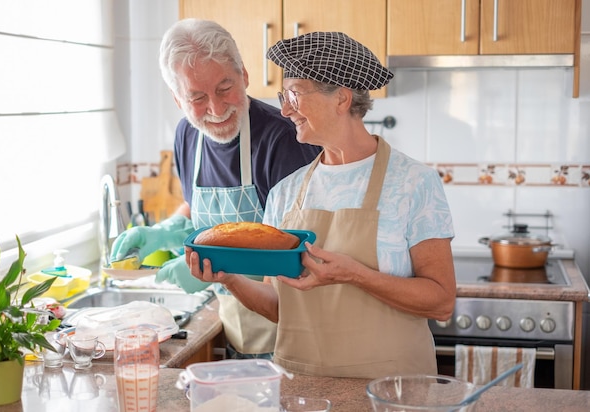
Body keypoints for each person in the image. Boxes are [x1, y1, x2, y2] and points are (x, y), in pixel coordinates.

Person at [185, 31, 456, 378]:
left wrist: (354, 274)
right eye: (283, 96)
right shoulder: (286, 192)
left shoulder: (414, 183)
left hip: (393, 390)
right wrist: (230, 279)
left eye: (294, 94)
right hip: (304, 387)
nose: (284, 109)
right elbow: (281, 306)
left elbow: (441, 301)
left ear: (341, 98)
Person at [110, 19, 321, 359]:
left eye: (225, 88)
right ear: (177, 99)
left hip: (296, 338)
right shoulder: (187, 136)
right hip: (240, 331)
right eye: (196, 96)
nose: (216, 108)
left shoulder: (284, 141)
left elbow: (300, 251)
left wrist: (219, 266)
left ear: (245, 75)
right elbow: (200, 210)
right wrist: (164, 233)